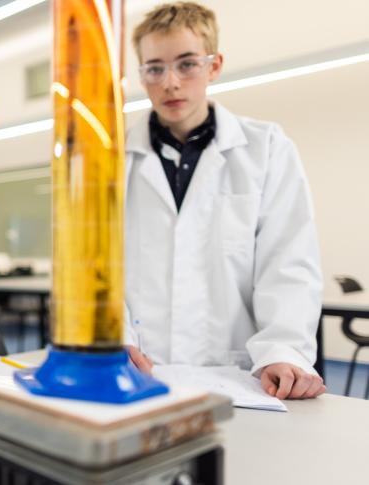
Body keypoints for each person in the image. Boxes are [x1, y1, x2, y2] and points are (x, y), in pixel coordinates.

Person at [123, 2, 325, 400]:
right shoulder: (112, 160)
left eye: (186, 64)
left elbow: (288, 260)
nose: (171, 83)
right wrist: (110, 339)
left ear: (214, 66)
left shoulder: (266, 148)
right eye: (155, 68)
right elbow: (95, 268)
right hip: (136, 369)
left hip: (237, 374)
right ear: (142, 75)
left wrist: (283, 350)